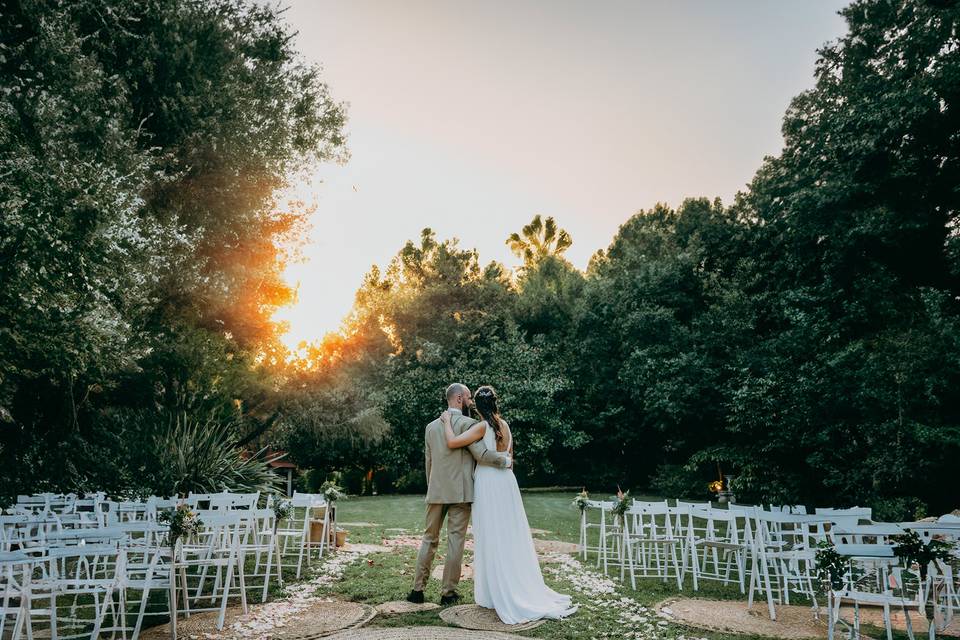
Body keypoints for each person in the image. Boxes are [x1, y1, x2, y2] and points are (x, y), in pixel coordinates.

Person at [439, 385, 577, 624]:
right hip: (507, 483)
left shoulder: (481, 427)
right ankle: (511, 584)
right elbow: (510, 461)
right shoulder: (507, 426)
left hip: (488, 484)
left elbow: (452, 443)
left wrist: (446, 423)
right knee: (508, 533)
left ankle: (498, 592)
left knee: (491, 534)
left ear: (479, 407)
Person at [407, 382, 511, 605]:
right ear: (459, 399)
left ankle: (417, 590)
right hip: (461, 493)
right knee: (455, 541)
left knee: (428, 539)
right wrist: (504, 460)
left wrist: (432, 485)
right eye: (468, 397)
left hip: (436, 491)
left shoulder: (431, 427)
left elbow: (429, 462)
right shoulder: (469, 424)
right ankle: (448, 593)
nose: (471, 401)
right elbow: (481, 454)